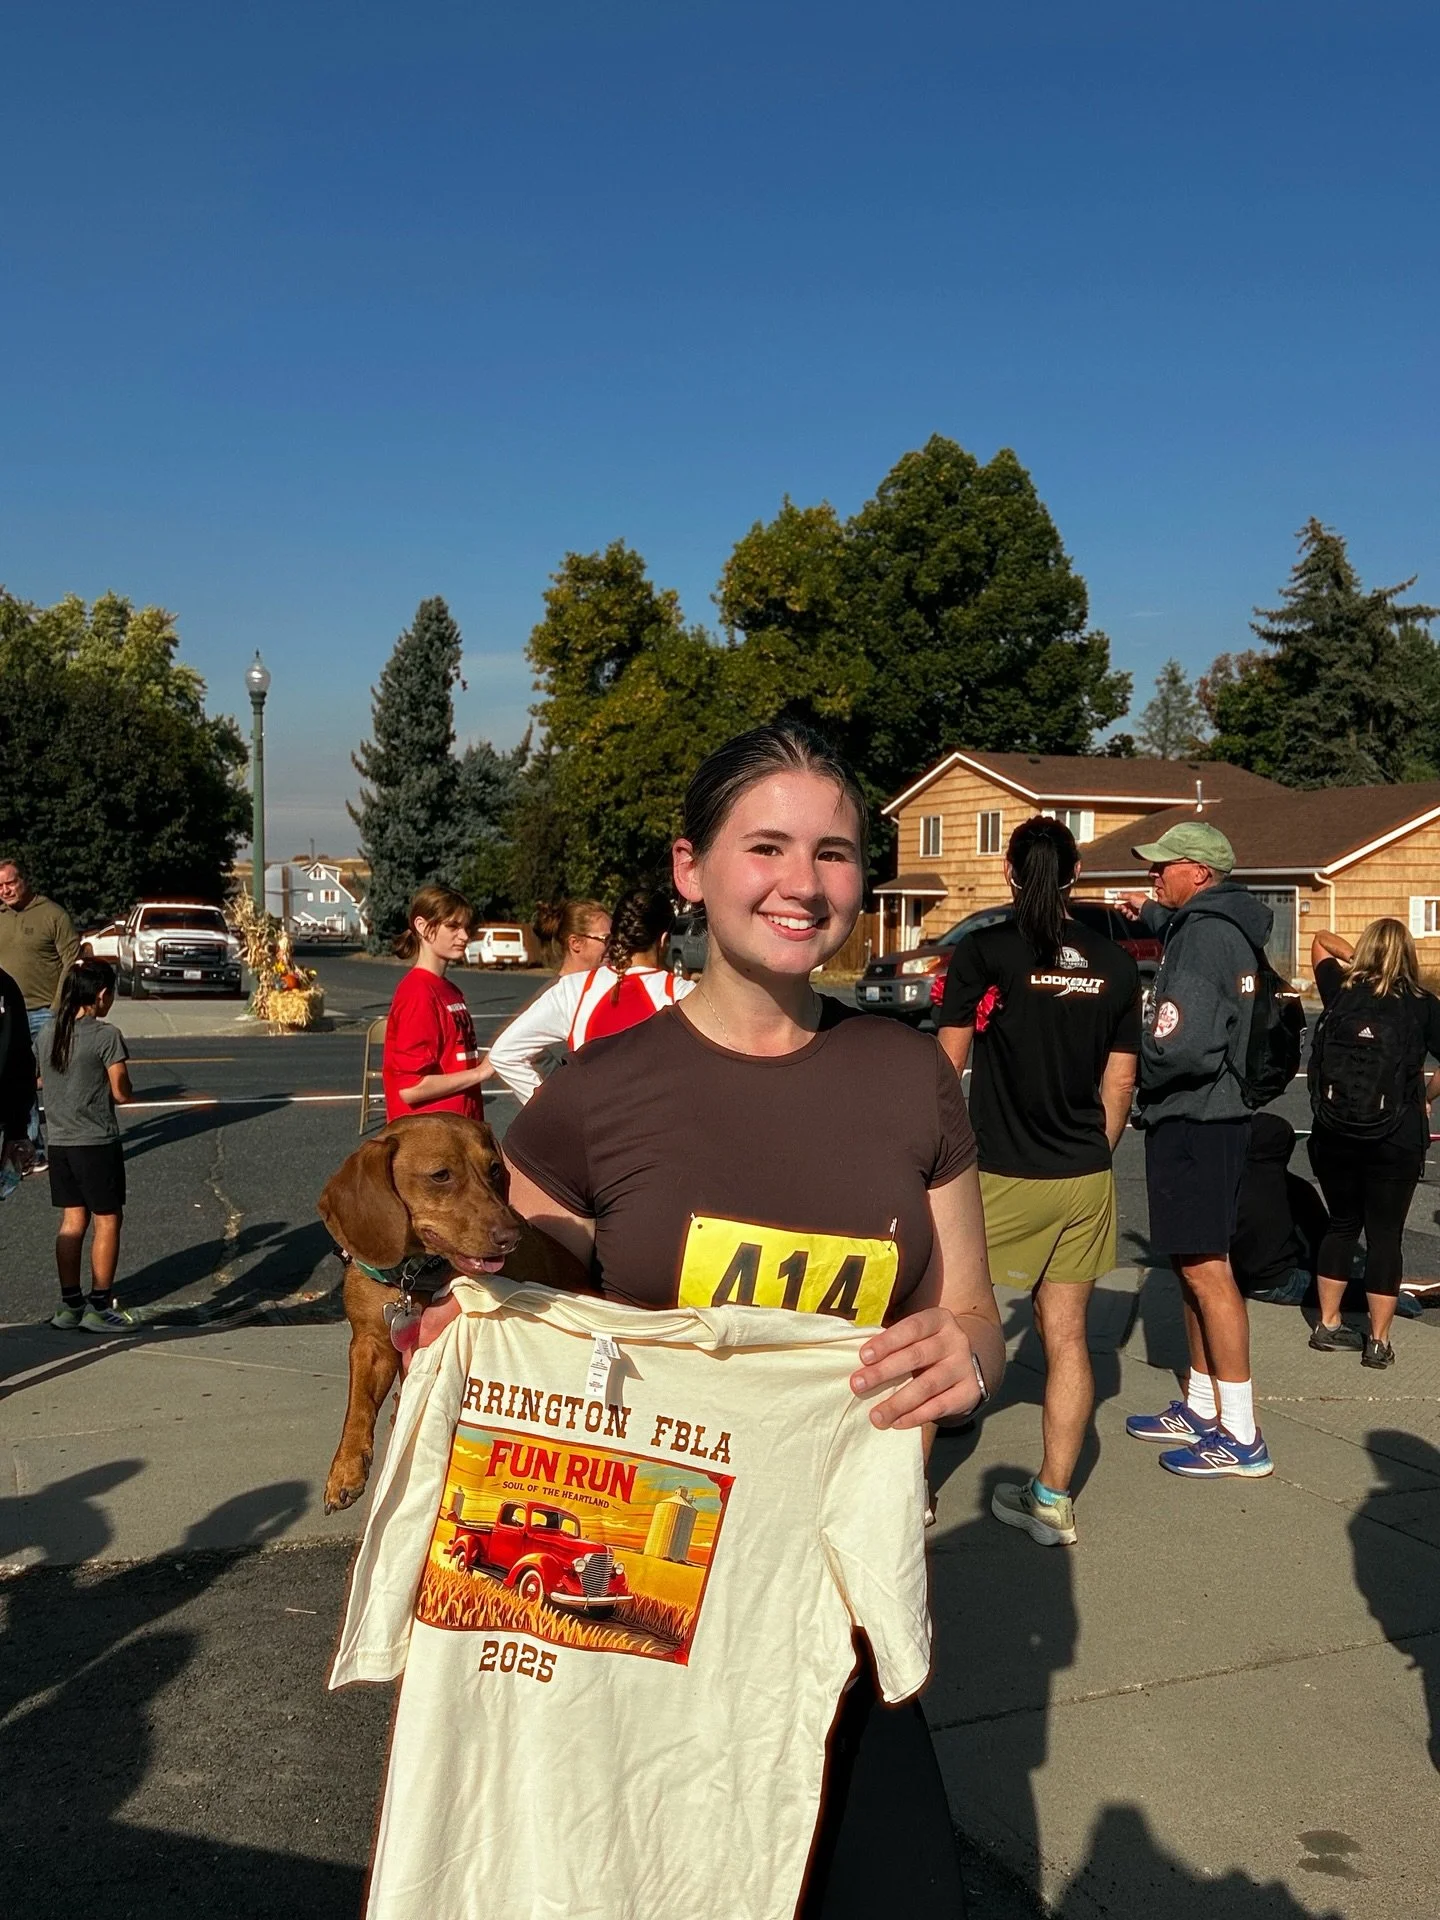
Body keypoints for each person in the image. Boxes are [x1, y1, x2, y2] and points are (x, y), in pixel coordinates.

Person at [499, 721, 1004, 1918]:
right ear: (691, 868)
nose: (802, 882)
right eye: (765, 845)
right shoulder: (594, 1098)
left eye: (833, 853)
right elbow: (496, 1304)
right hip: (635, 1605)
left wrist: (968, 1361)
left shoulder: (906, 1075)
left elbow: (974, 1307)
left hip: (837, 1605)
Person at [937, 815, 1140, 1547]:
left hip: (995, 1173)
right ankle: (1053, 1499)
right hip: (1082, 1174)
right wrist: (1093, 1150)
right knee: (1068, 1339)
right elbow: (1121, 1084)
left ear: (1008, 873)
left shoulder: (984, 951)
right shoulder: (1115, 966)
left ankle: (914, 1494)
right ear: (1078, 875)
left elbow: (944, 1067)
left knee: (949, 1321)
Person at [1118, 821, 1277, 1479]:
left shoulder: (1203, 936)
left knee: (1208, 1271)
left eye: (1165, 867)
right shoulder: (1221, 926)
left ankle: (1241, 1435)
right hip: (1215, 1114)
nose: (1155, 874)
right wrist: (1150, 912)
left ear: (1201, 874)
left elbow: (1179, 1040)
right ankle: (1203, 1402)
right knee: (1191, 1263)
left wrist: (1136, 1073)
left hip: (1196, 1116)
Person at [1304, 920, 1440, 1369]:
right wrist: (1425, 1096)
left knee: (1341, 1224)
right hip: (1395, 1135)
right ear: (1408, 956)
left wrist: (1354, 958)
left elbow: (1320, 939)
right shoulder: (1423, 1006)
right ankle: (1378, 1342)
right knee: (1385, 1236)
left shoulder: (1340, 990)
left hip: (1335, 1129)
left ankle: (1327, 1323)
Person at [486, 886, 690, 1103]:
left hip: (593, 1132)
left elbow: (504, 1054)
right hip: (660, 1130)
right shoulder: (683, 993)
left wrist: (554, 1110)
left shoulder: (574, 990)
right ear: (663, 940)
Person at [41, 960, 135, 1332]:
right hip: (96, 1141)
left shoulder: (49, 1033)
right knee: (108, 1219)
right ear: (101, 995)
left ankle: (69, 1305)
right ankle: (99, 1305)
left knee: (71, 1221)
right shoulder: (105, 1036)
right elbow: (121, 1092)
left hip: (59, 1142)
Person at [381, 885, 494, 1125]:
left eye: (466, 928)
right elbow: (411, 1088)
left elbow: (452, 1059)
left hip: (458, 1132)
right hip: (429, 1143)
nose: (464, 936)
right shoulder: (418, 993)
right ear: (422, 927)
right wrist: (480, 1072)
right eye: (452, 926)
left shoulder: (448, 990)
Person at [0, 853, 80, 1169]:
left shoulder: (52, 915)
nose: (5, 890)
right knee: (17, 1082)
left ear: (25, 880)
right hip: (7, 1016)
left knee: (55, 1082)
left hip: (44, 1011)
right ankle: (32, 1149)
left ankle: (70, 1145)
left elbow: (71, 963)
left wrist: (59, 1009)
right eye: (0, 886)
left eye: (10, 882)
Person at [0, 964, 37, 1193]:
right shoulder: (5, 984)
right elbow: (20, 1058)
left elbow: (19, 1058)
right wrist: (17, 1129)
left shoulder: (5, 986)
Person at [532, 898, 612, 975]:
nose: (613, 945)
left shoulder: (606, 985)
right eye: (606, 939)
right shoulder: (558, 989)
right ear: (575, 943)